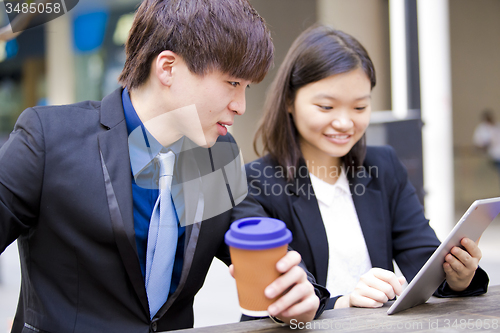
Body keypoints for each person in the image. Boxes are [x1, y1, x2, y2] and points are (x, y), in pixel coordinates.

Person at [0, 1, 329, 332]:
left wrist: (300, 293)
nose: (241, 105)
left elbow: (263, 248)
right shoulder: (49, 137)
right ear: (168, 68)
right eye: (232, 83)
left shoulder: (217, 156)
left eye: (246, 88)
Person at [232, 24, 489, 311]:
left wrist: (458, 277)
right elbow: (282, 291)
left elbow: (424, 261)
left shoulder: (383, 166)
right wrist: (344, 303)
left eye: (359, 107)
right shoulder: (254, 183)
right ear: (290, 101)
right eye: (327, 107)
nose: (345, 123)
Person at [473, 109, 500, 180]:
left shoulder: (497, 126)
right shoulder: (482, 129)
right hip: (492, 156)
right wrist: (485, 146)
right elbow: (478, 144)